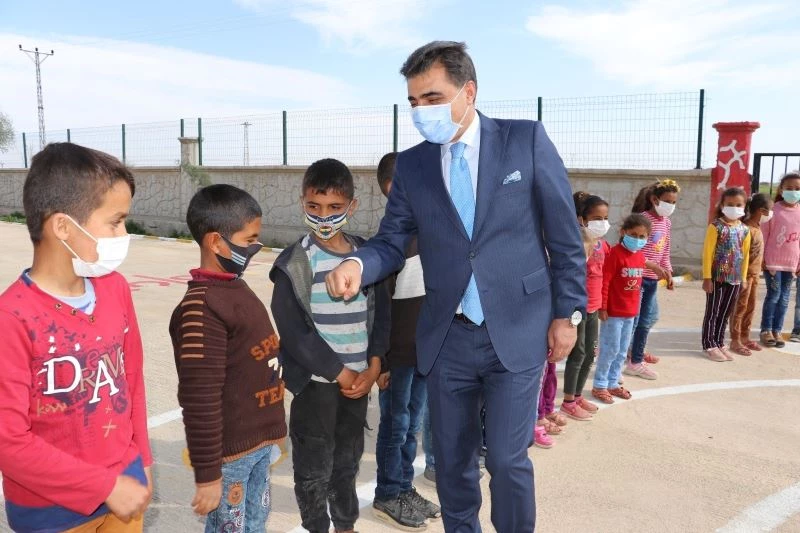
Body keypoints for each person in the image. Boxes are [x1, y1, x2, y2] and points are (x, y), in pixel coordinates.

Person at [325, 41, 586, 533]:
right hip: (448, 337)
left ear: (468, 91)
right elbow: (392, 238)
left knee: (508, 461)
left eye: (433, 97)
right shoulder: (414, 165)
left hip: (518, 326)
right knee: (452, 462)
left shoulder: (524, 140)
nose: (423, 111)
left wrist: (568, 313)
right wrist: (359, 263)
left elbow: (564, 237)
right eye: (415, 102)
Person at [0, 143, 152, 532]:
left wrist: (144, 462)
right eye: (115, 222)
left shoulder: (116, 289)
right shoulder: (11, 318)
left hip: (127, 489)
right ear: (64, 227)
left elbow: (131, 380)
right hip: (51, 513)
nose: (124, 233)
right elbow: (9, 442)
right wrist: (104, 486)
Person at [269, 158, 391, 533]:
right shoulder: (295, 264)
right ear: (303, 203)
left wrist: (376, 364)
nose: (324, 216)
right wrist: (339, 372)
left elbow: (383, 313)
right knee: (312, 464)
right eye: (314, 207)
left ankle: (345, 523)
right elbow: (293, 332)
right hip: (317, 386)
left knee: (348, 459)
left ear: (351, 207)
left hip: (358, 384)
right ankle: (316, 525)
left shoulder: (366, 259)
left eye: (335, 208)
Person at [169, 184, 287, 531]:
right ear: (217, 242)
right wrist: (207, 476)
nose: (256, 247)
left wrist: (274, 432)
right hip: (231, 456)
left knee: (256, 523)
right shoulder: (201, 309)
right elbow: (198, 399)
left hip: (259, 447)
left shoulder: (236, 287)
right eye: (250, 239)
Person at [372, 152, 441, 530]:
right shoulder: (390, 243)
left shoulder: (430, 234)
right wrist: (379, 359)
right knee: (395, 425)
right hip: (396, 358)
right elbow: (379, 311)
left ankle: (403, 487)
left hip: (424, 354)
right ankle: (387, 493)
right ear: (391, 189)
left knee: (412, 424)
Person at [593, 214, 651, 404]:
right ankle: (600, 385)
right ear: (623, 232)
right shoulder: (615, 254)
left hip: (631, 313)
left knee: (622, 350)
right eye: (633, 234)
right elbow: (606, 281)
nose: (637, 239)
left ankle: (613, 382)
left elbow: (638, 285)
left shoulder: (640, 256)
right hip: (614, 313)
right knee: (609, 349)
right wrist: (603, 306)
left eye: (642, 237)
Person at [561, 192, 610, 420]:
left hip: (594, 306)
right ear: (581, 219)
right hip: (578, 308)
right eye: (596, 218)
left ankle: (578, 395)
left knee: (590, 352)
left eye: (605, 218)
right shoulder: (579, 243)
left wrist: (604, 304)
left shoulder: (603, 245)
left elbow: (606, 274)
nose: (602, 223)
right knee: (578, 352)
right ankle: (569, 400)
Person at [624, 179, 680, 380]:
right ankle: (627, 359)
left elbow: (664, 250)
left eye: (674, 202)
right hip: (636, 278)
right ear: (655, 199)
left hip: (651, 281)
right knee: (633, 321)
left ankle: (635, 358)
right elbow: (631, 251)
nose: (671, 206)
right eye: (667, 201)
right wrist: (651, 266)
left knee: (645, 321)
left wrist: (668, 271)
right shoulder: (642, 220)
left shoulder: (666, 222)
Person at [701, 187, 752, 361]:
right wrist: (707, 277)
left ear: (744, 207)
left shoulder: (745, 230)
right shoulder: (715, 227)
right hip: (716, 278)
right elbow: (708, 253)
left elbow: (744, 256)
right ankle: (709, 344)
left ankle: (719, 342)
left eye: (738, 205)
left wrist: (743, 278)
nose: (734, 208)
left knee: (725, 312)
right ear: (722, 205)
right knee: (713, 312)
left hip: (735, 279)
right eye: (730, 204)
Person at [760, 171, 800, 348]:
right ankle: (766, 329)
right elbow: (763, 235)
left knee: (784, 299)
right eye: (789, 188)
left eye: (797, 189)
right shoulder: (772, 211)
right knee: (774, 295)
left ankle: (777, 330)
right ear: (781, 189)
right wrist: (761, 258)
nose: (793, 191)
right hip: (773, 262)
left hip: (791, 264)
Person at [730, 193, 772, 354]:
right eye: (770, 211)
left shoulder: (756, 228)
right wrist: (743, 278)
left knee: (750, 307)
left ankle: (745, 336)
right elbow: (741, 256)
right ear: (761, 211)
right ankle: (735, 339)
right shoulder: (746, 229)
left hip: (754, 276)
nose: (771, 214)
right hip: (744, 276)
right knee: (740, 308)